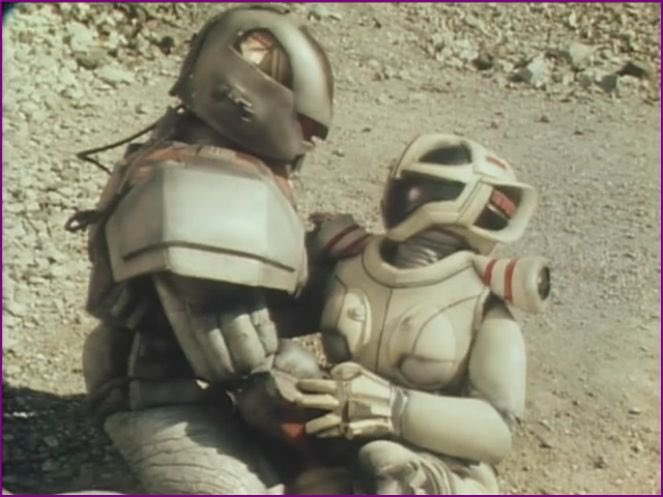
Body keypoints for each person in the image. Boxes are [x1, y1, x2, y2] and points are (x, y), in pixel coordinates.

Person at [72, 5, 334, 493]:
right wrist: (324, 438)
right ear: (243, 97)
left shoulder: (190, 154)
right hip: (160, 397)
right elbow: (239, 364)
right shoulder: (197, 187)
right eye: (303, 123)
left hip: (199, 385)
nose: (307, 138)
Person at [289, 133, 551, 494]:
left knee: (387, 468)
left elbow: (497, 431)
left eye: (427, 188)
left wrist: (395, 407)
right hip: (338, 437)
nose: (409, 196)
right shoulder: (352, 267)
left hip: (439, 466)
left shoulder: (481, 303)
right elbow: (280, 317)